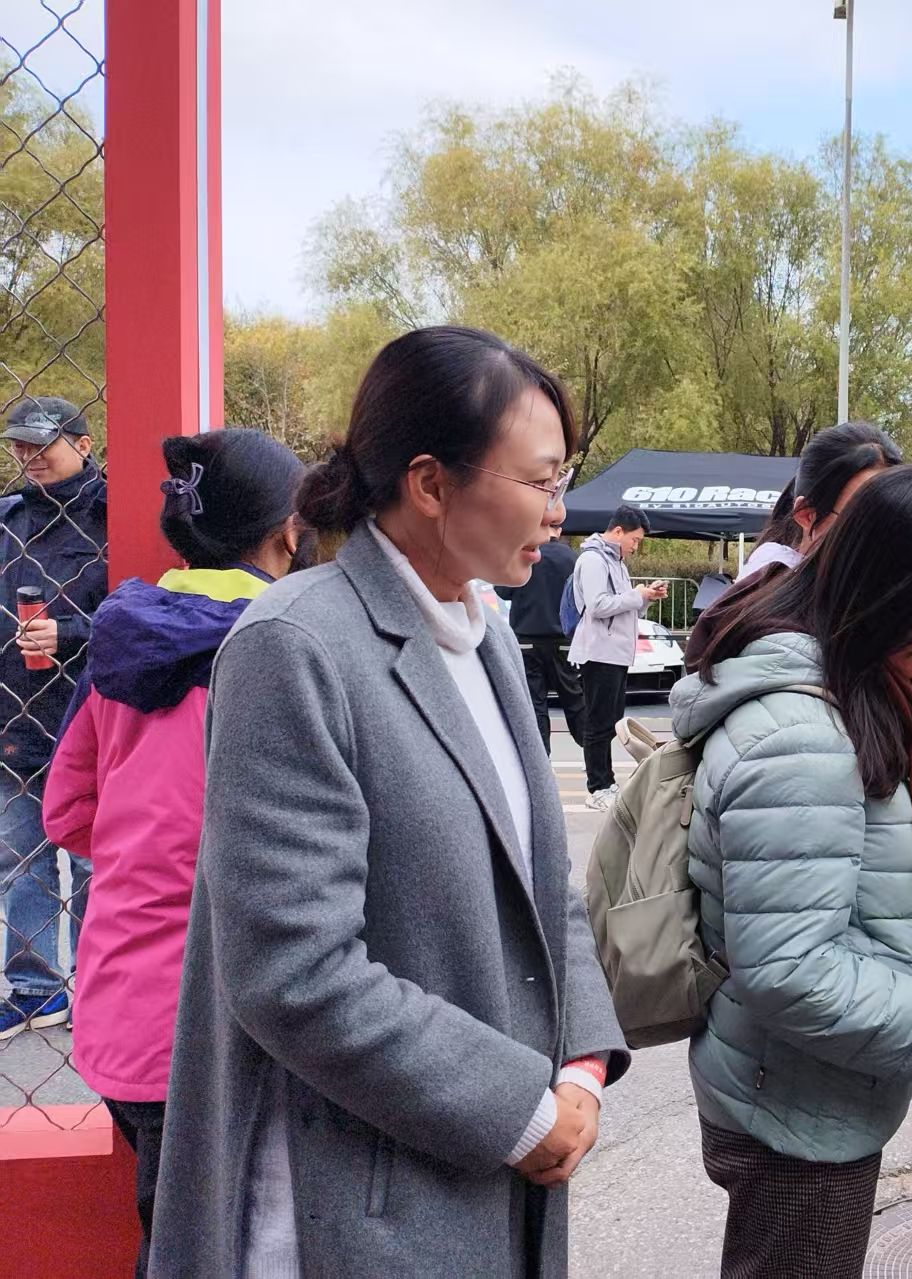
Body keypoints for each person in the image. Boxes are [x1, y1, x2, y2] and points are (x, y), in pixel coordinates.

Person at [146, 326, 630, 1278]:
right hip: (354, 1197)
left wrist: (580, 1067)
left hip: (489, 1156)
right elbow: (295, 969)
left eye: (562, 479)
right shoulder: (295, 646)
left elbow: (544, 881)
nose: (558, 511)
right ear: (431, 483)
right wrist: (520, 1109)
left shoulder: (486, 635)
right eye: (540, 481)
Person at [675, 464, 912, 1278]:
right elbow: (791, 972)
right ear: (885, 587)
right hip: (794, 1109)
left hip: (804, 1086)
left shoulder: (850, 690)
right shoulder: (805, 736)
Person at [41, 428, 305, 1277]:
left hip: (119, 1007)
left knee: (175, 1227)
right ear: (290, 530)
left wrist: (138, 849)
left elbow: (65, 809)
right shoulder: (279, 647)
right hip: (223, 1016)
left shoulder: (118, 645)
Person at [0, 395, 105, 1039]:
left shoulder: (118, 516)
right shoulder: (7, 517)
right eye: (20, 444)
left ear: (84, 444)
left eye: (43, 443)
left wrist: (69, 633)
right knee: (18, 857)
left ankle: (98, 985)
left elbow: (144, 610)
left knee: (98, 861)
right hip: (13, 718)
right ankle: (36, 990)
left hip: (89, 719)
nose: (29, 456)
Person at [568, 505, 668, 811]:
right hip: (600, 651)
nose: (636, 546)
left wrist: (645, 597)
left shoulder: (616, 562)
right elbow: (598, 605)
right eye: (635, 540)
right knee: (599, 722)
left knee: (610, 721)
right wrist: (639, 595)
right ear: (618, 531)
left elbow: (623, 605)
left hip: (615, 652)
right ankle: (598, 786)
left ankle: (605, 782)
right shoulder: (593, 559)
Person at [736, 420, 902, 581]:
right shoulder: (770, 588)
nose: (879, 537)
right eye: (860, 522)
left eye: (891, 520)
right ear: (806, 515)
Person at [495, 529, 585, 753]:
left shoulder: (524, 555)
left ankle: (542, 756)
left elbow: (503, 590)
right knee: (574, 697)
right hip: (563, 638)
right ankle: (591, 753)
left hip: (527, 637)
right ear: (559, 531)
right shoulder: (572, 558)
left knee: (535, 701)